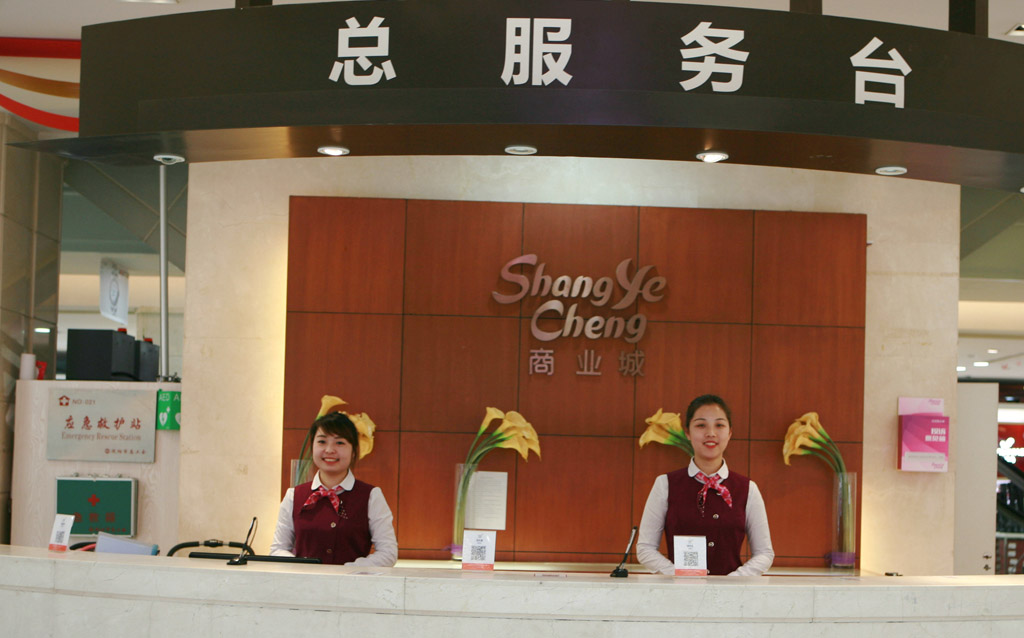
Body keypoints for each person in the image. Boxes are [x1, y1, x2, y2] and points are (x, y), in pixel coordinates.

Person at [637, 394, 774, 576]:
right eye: (701, 425)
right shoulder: (665, 484)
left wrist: (734, 580)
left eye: (719, 425)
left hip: (731, 591)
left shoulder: (747, 488)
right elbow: (645, 548)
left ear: (730, 433)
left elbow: (764, 553)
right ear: (688, 433)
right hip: (679, 590)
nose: (711, 433)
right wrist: (678, 574)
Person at [270, 412, 397, 566]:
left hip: (353, 580)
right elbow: (278, 549)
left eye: (340, 443)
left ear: (354, 451)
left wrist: (350, 571)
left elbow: (388, 553)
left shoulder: (371, 496)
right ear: (312, 446)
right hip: (304, 580)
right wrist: (300, 568)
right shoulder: (293, 496)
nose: (329, 450)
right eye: (322, 441)